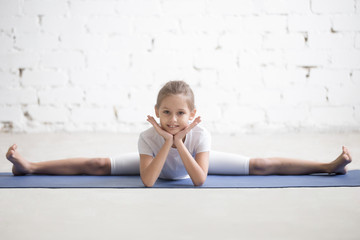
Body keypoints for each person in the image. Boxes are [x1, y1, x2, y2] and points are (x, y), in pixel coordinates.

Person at [5, 81, 352, 187]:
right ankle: (31, 167)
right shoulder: (148, 136)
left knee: (260, 164)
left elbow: (198, 178)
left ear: (193, 115)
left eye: (181, 113)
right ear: (157, 113)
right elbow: (149, 181)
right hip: (155, 162)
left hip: (191, 159)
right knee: (96, 163)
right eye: (166, 113)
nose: (173, 119)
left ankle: (328, 165)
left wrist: (179, 143)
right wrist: (166, 142)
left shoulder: (202, 136)